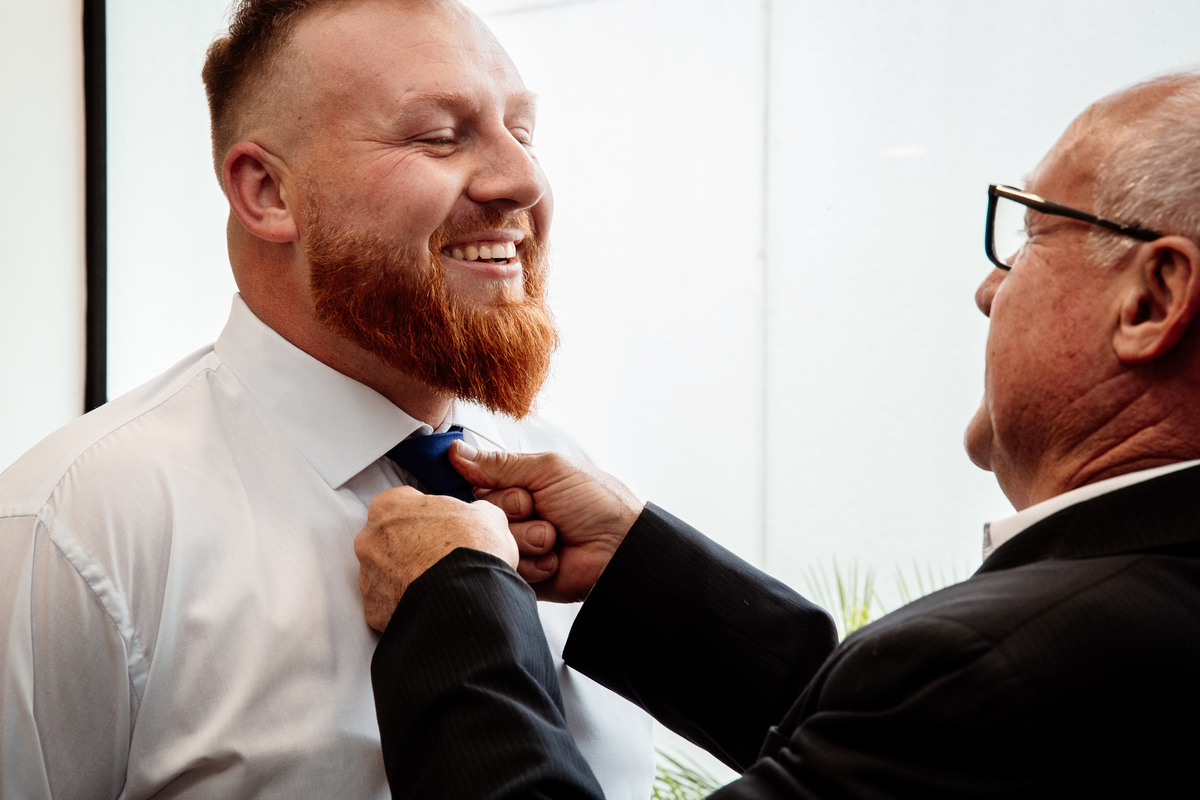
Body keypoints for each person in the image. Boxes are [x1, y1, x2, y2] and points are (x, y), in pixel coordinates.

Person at [355, 73, 1200, 797]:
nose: (989, 290)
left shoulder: (993, 674)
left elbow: (955, 714)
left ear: (1152, 299)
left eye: (1028, 234)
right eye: (436, 136)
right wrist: (641, 571)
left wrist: (454, 607)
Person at [0, 1, 653, 798]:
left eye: (522, 131)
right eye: (438, 135)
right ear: (269, 190)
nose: (523, 179)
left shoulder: (576, 498)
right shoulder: (75, 528)